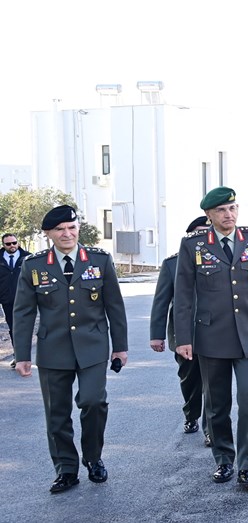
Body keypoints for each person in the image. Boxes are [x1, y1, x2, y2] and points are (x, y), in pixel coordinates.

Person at [12, 205, 128, 493]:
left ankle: (93, 457)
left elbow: (114, 306)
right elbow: (23, 312)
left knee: (93, 401)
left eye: (71, 227)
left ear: (78, 229)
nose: (67, 233)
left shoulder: (99, 260)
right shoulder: (34, 265)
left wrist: (120, 348)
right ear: (48, 233)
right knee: (57, 413)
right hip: (52, 350)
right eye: (60, 229)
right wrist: (22, 355)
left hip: (93, 347)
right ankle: (66, 468)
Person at [173, 187, 248, 485]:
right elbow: (183, 295)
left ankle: (247, 464)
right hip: (211, 336)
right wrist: (183, 338)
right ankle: (223, 460)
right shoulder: (193, 245)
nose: (228, 215)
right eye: (221, 210)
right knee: (217, 404)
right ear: (209, 215)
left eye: (232, 208)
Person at [149, 216, 212, 446]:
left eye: (207, 231)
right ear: (189, 236)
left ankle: (211, 430)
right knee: (189, 380)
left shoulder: (219, 259)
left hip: (214, 331)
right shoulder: (172, 264)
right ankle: (191, 414)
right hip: (185, 332)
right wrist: (156, 335)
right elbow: (161, 301)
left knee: (212, 383)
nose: (203, 236)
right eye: (198, 232)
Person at [1, 233, 29, 369]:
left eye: (14, 243)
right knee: (14, 327)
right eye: (8, 244)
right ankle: (18, 356)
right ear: (3, 245)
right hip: (7, 300)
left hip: (26, 298)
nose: (12, 246)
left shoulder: (28, 257)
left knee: (26, 327)